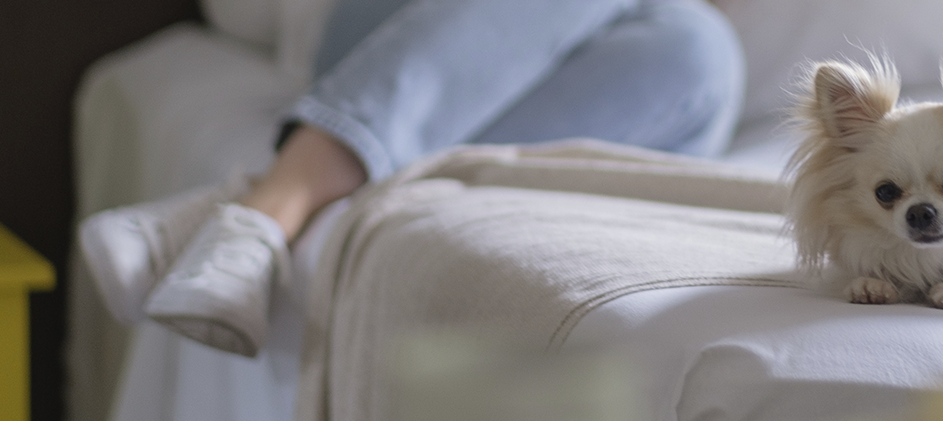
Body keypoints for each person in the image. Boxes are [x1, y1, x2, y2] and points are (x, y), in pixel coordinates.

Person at [125, 0, 745, 355]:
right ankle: (273, 207)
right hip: (406, 26)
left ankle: (261, 200)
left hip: (641, 49)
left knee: (703, 50)